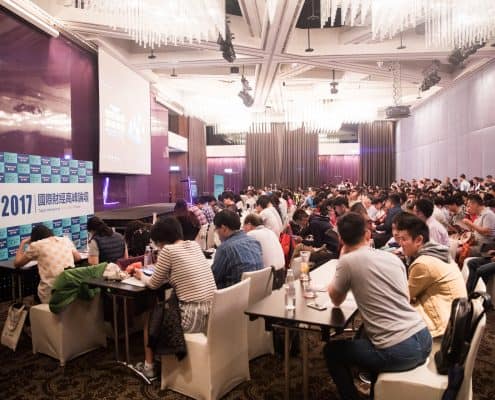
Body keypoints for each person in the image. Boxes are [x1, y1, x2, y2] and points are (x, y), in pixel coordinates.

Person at [324, 212, 431, 400]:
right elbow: (405, 297)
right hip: (423, 337)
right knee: (365, 333)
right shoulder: (393, 258)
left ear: (341, 239)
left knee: (331, 351)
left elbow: (336, 299)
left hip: (400, 352)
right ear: (367, 234)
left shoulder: (347, 262)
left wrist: (342, 259)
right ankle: (374, 387)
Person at [134, 217, 216, 379]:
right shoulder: (193, 245)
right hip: (212, 312)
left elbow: (153, 284)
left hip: (192, 317)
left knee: (150, 317)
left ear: (160, 240)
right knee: (164, 308)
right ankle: (158, 359)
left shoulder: (168, 251)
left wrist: (140, 275)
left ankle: (149, 367)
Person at [394, 213, 466, 338]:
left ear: (419, 240)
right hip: (452, 319)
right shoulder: (437, 252)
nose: (401, 243)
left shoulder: (423, 263)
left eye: (404, 239)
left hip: (442, 328)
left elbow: (405, 297)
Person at [14, 225, 81, 304]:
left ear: (34, 237)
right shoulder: (66, 240)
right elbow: (78, 258)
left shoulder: (36, 245)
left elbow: (17, 263)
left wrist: (22, 243)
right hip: (71, 287)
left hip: (51, 291)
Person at [211, 209, 263, 289]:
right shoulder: (254, 241)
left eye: (216, 229)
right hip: (257, 291)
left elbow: (213, 278)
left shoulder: (224, 249)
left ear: (224, 228)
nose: (216, 233)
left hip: (235, 294)